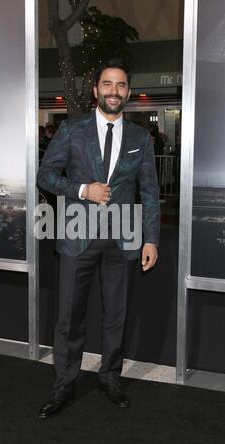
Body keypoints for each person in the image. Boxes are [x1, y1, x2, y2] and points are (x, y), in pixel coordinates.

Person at [37, 58, 160, 418]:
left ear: (127, 93)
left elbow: (150, 192)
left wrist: (151, 239)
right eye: (107, 84)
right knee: (69, 317)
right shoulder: (73, 130)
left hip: (122, 238)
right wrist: (81, 190)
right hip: (77, 235)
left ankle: (109, 377)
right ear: (96, 90)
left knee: (115, 316)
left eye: (121, 85)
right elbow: (46, 175)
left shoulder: (140, 137)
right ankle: (63, 385)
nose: (114, 91)